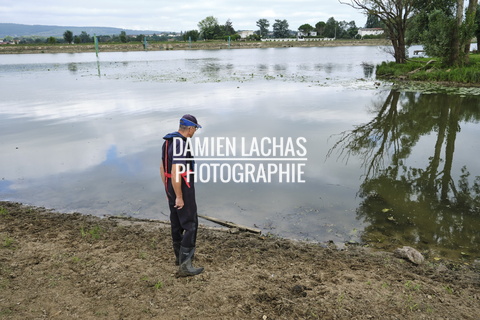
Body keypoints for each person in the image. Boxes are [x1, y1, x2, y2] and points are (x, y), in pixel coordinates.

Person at [160, 114, 204, 277]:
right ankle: (185, 265)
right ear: (190, 128)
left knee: (177, 223)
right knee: (190, 224)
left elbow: (162, 168)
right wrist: (179, 195)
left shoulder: (168, 141)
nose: (194, 133)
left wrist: (168, 189)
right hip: (182, 187)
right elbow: (176, 170)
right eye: (195, 129)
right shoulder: (180, 144)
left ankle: (179, 258)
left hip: (171, 186)